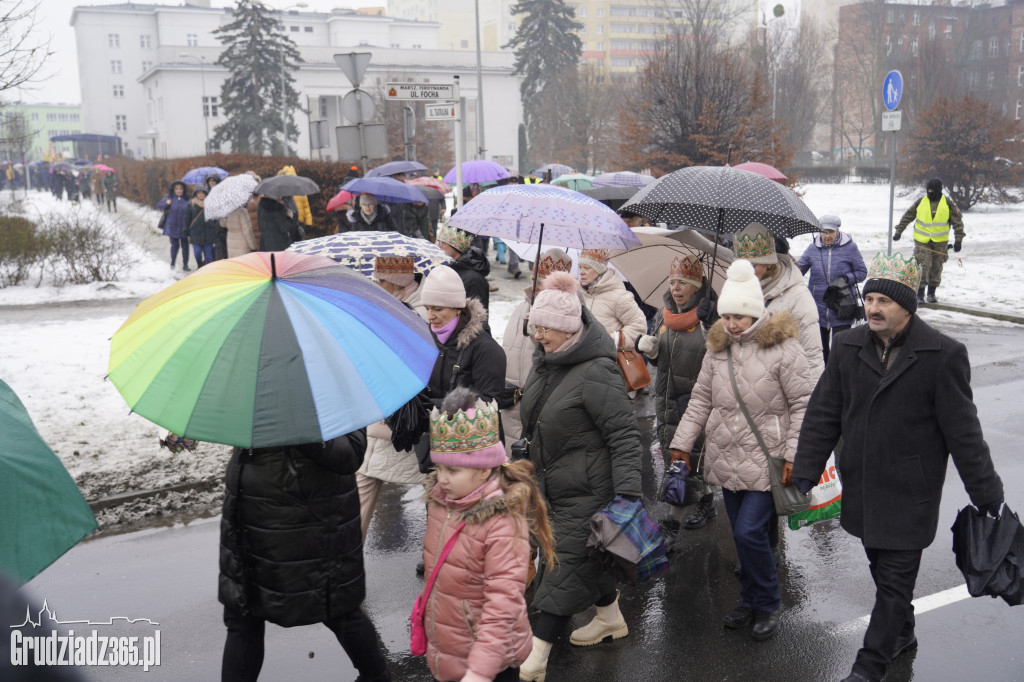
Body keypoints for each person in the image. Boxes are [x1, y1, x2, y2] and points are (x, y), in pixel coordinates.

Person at [791, 251, 1005, 682]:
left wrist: (988, 495)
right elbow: (823, 413)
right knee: (882, 570)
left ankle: (868, 668)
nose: (872, 308)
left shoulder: (943, 354)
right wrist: (805, 472)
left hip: (912, 492)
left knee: (893, 584)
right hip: (864, 487)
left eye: (883, 302)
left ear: (906, 306)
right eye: (869, 299)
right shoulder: (848, 347)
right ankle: (902, 632)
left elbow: (963, 433)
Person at [670, 259, 814, 642]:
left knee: (751, 531)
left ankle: (767, 603)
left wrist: (794, 455)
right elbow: (700, 399)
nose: (732, 324)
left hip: (769, 461)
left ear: (756, 313)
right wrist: (682, 445)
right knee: (740, 535)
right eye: (727, 315)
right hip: (725, 457)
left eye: (740, 316)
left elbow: (804, 404)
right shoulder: (718, 350)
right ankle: (749, 600)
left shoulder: (785, 348)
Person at [516, 271, 644, 682]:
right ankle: (610, 618)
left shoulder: (597, 371)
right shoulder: (546, 363)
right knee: (584, 561)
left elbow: (624, 435)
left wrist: (627, 495)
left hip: (590, 489)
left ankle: (535, 659)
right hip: (552, 486)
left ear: (570, 329)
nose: (538, 336)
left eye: (546, 328)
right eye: (535, 327)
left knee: (561, 564)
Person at [218, 432, 392, 682]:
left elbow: (348, 455)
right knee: (242, 615)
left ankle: (377, 677)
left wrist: (294, 421)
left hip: (310, 518)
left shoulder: (335, 391)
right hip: (246, 515)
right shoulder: (247, 392)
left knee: (338, 608)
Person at [421, 387, 557, 682]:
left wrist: (480, 672)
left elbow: (503, 603)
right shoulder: (440, 503)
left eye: (453, 471)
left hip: (490, 663)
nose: (442, 478)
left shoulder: (502, 522)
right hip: (449, 651)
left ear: (483, 470)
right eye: (439, 467)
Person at [635, 255, 715, 532]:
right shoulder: (664, 314)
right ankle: (707, 499)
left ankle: (671, 522)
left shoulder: (709, 316)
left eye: (683, 282)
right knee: (681, 453)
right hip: (666, 397)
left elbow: (721, 358)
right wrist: (652, 351)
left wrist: (710, 324)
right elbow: (660, 358)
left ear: (697, 286)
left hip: (696, 400)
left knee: (686, 457)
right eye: (672, 282)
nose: (676, 288)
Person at [356, 256, 428, 540]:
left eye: (379, 279)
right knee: (363, 482)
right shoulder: (384, 307)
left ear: (396, 282)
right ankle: (344, 567)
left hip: (407, 422)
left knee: (433, 489)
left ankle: (437, 564)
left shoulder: (421, 312)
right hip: (378, 418)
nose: (374, 283)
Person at [499, 248, 572, 453]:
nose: (538, 286)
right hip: (512, 400)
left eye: (545, 283)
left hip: (538, 403)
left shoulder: (566, 317)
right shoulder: (522, 307)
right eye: (537, 280)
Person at [734, 221, 824, 381]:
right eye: (742, 265)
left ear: (769, 264)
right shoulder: (737, 290)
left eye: (753, 265)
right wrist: (708, 325)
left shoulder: (798, 296)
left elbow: (812, 357)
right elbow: (727, 348)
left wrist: (811, 402)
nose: (747, 272)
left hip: (782, 390)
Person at [419, 265, 505, 408]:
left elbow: (489, 402)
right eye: (427, 308)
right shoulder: (427, 339)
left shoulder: (485, 348)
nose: (430, 316)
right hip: (432, 428)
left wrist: (433, 406)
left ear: (457, 308)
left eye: (437, 309)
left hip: (468, 429)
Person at [796, 214, 868, 363]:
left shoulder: (850, 248)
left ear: (837, 231)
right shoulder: (812, 249)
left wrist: (847, 278)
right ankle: (824, 379)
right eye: (823, 231)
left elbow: (862, 272)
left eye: (830, 232)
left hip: (842, 306)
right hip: (817, 306)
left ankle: (841, 379)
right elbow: (797, 272)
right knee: (819, 351)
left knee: (841, 350)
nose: (827, 235)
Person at [892, 177, 965, 303]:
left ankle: (931, 293)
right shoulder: (921, 201)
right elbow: (908, 216)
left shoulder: (948, 203)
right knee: (923, 265)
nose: (930, 192)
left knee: (936, 267)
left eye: (932, 190)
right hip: (922, 241)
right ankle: (919, 294)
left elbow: (957, 222)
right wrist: (899, 231)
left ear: (938, 190)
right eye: (928, 190)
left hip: (940, 242)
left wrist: (958, 240)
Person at [577, 249, 647, 348]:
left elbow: (639, 327)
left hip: (608, 359)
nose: (581, 272)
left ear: (599, 270)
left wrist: (610, 340)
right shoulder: (577, 293)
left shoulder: (619, 296)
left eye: (586, 268)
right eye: (580, 267)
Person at [436, 223, 492, 317]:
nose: (438, 247)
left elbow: (476, 318)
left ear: (455, 246)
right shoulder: (450, 269)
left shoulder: (473, 279)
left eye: (442, 243)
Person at [157, 180, 192, 271]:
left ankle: (185, 264)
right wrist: (166, 203)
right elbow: (159, 206)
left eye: (181, 189)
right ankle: (173, 262)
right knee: (174, 246)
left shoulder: (187, 199)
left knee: (185, 246)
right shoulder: (169, 197)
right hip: (172, 226)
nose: (179, 191)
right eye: (177, 189)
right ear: (173, 190)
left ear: (184, 190)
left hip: (184, 226)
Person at [184, 187, 219, 269]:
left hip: (209, 235)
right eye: (199, 192)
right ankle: (200, 264)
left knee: (209, 257)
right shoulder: (191, 204)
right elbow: (186, 219)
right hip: (195, 234)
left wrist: (215, 228)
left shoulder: (211, 204)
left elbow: (215, 218)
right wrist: (186, 231)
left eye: (203, 193)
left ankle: (206, 271)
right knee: (197, 253)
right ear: (196, 194)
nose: (201, 194)